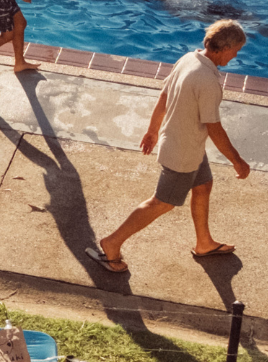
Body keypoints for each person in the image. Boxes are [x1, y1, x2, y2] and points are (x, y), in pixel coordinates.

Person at [88, 20, 251, 272]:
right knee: (162, 202)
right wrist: (237, 160)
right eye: (235, 50)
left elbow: (165, 94)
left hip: (183, 142)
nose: (236, 55)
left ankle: (204, 243)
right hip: (183, 152)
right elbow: (214, 128)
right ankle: (112, 243)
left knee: (203, 185)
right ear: (223, 47)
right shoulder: (207, 80)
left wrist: (152, 130)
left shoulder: (190, 58)